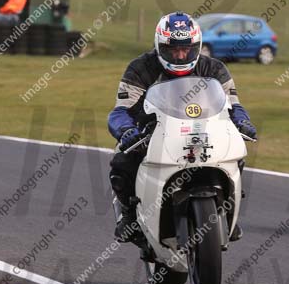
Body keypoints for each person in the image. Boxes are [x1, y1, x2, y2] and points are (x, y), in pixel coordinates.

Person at [107, 12, 257, 242]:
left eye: (186, 49)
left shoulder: (214, 69)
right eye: (173, 49)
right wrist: (127, 131)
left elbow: (234, 105)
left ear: (196, 46)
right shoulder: (140, 68)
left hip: (205, 130)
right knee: (121, 160)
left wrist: (243, 122)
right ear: (160, 47)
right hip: (153, 132)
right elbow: (120, 111)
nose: (179, 54)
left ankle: (227, 211)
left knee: (235, 154)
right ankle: (129, 214)